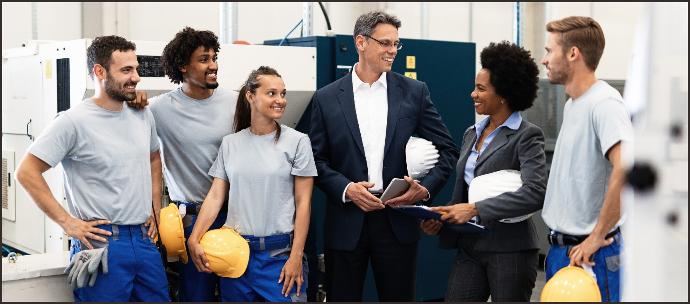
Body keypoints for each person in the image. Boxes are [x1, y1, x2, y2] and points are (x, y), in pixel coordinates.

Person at [309, 11, 459, 301]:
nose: (393, 51)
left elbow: (448, 149)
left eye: (396, 45)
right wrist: (346, 189)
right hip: (346, 223)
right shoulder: (326, 98)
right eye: (386, 43)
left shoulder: (414, 92)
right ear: (361, 42)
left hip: (397, 221)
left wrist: (424, 190)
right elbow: (316, 159)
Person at [14, 35, 169, 301]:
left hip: (144, 242)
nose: (136, 77)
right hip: (102, 244)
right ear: (100, 72)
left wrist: (155, 209)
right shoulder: (72, 122)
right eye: (126, 70)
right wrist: (67, 223)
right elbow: (26, 171)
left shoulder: (142, 114)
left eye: (136, 69)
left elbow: (154, 158)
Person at [422, 41, 547, 302]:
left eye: (481, 89)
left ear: (503, 94)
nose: (473, 94)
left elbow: (535, 193)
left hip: (510, 248)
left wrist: (476, 209)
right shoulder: (471, 133)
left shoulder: (526, 136)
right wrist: (443, 217)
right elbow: (466, 191)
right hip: (470, 246)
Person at [187, 66, 316, 302]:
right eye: (272, 93)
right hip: (235, 258)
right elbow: (215, 197)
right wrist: (194, 238)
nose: (280, 100)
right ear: (250, 96)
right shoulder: (230, 144)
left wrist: (296, 256)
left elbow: (304, 203)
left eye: (283, 94)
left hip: (279, 257)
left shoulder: (298, 142)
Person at [540, 16, 633, 302]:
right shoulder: (572, 105)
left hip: (594, 253)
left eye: (549, 51)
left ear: (572, 53)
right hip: (562, 250)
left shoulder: (605, 103)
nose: (544, 61)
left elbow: (626, 168)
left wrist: (595, 237)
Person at [146, 26, 237, 301]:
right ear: (183, 67)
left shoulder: (236, 102)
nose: (213, 66)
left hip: (236, 216)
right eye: (204, 59)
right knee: (196, 296)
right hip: (190, 219)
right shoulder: (158, 109)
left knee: (238, 293)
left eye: (214, 58)